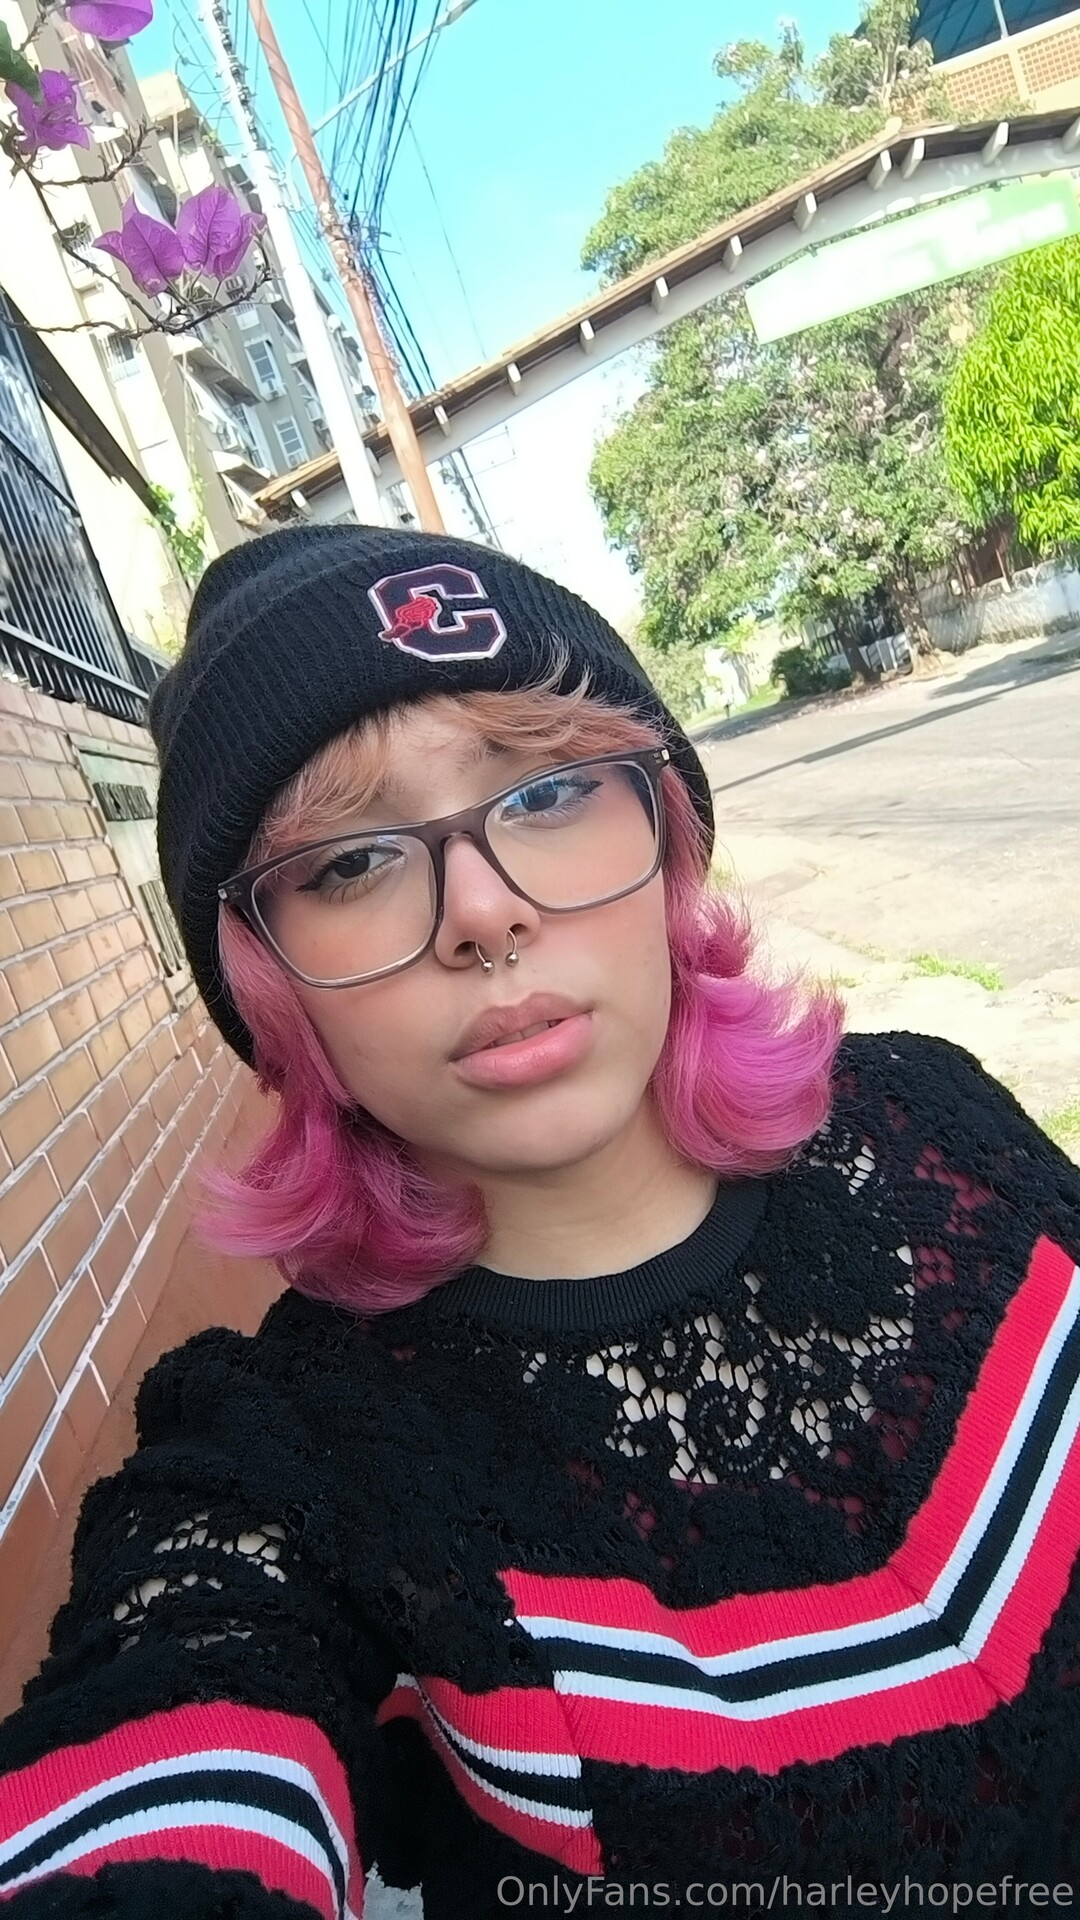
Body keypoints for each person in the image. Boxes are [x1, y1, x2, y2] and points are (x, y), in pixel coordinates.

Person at [1, 526, 1079, 1920]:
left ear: (666, 832)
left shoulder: (941, 1121)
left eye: (552, 789)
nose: (486, 913)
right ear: (267, 984)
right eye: (349, 864)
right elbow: (166, 1752)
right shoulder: (291, 1459)